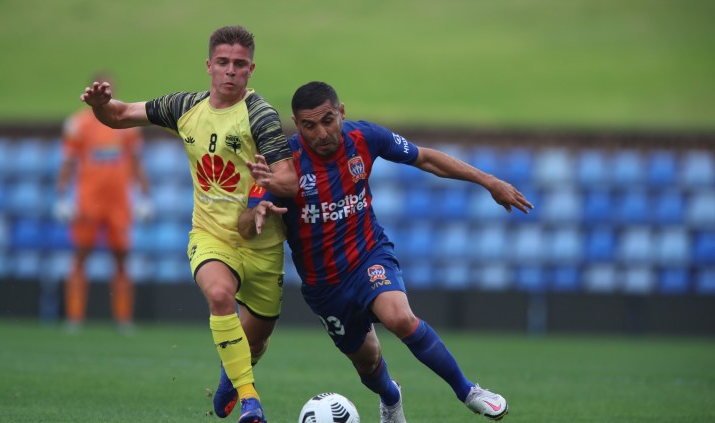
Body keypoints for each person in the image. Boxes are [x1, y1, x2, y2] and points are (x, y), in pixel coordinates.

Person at [240, 81, 533, 422]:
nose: (320, 133)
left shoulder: (364, 138)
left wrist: (489, 181)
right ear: (296, 123)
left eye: (328, 120)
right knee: (367, 361)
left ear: (342, 112)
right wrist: (255, 214)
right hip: (324, 286)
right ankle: (391, 398)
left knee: (399, 317)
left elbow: (425, 159)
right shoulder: (284, 164)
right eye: (309, 125)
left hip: (368, 255)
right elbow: (246, 224)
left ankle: (468, 390)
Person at [79, 26, 298, 423]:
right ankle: (251, 402)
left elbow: (290, 179)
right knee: (218, 294)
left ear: (251, 70)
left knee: (257, 340)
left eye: (240, 64)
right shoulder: (185, 107)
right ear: (209, 65)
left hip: (262, 241)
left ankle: (232, 376)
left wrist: (268, 183)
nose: (231, 71)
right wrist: (100, 106)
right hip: (211, 235)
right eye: (223, 63)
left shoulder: (260, 115)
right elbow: (119, 115)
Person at [55, 71, 153, 333]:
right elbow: (68, 162)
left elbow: (136, 162)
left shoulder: (124, 122)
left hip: (119, 202)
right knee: (80, 255)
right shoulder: (78, 124)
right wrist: (62, 196)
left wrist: (144, 196)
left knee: (121, 257)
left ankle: (123, 319)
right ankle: (74, 318)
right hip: (88, 201)